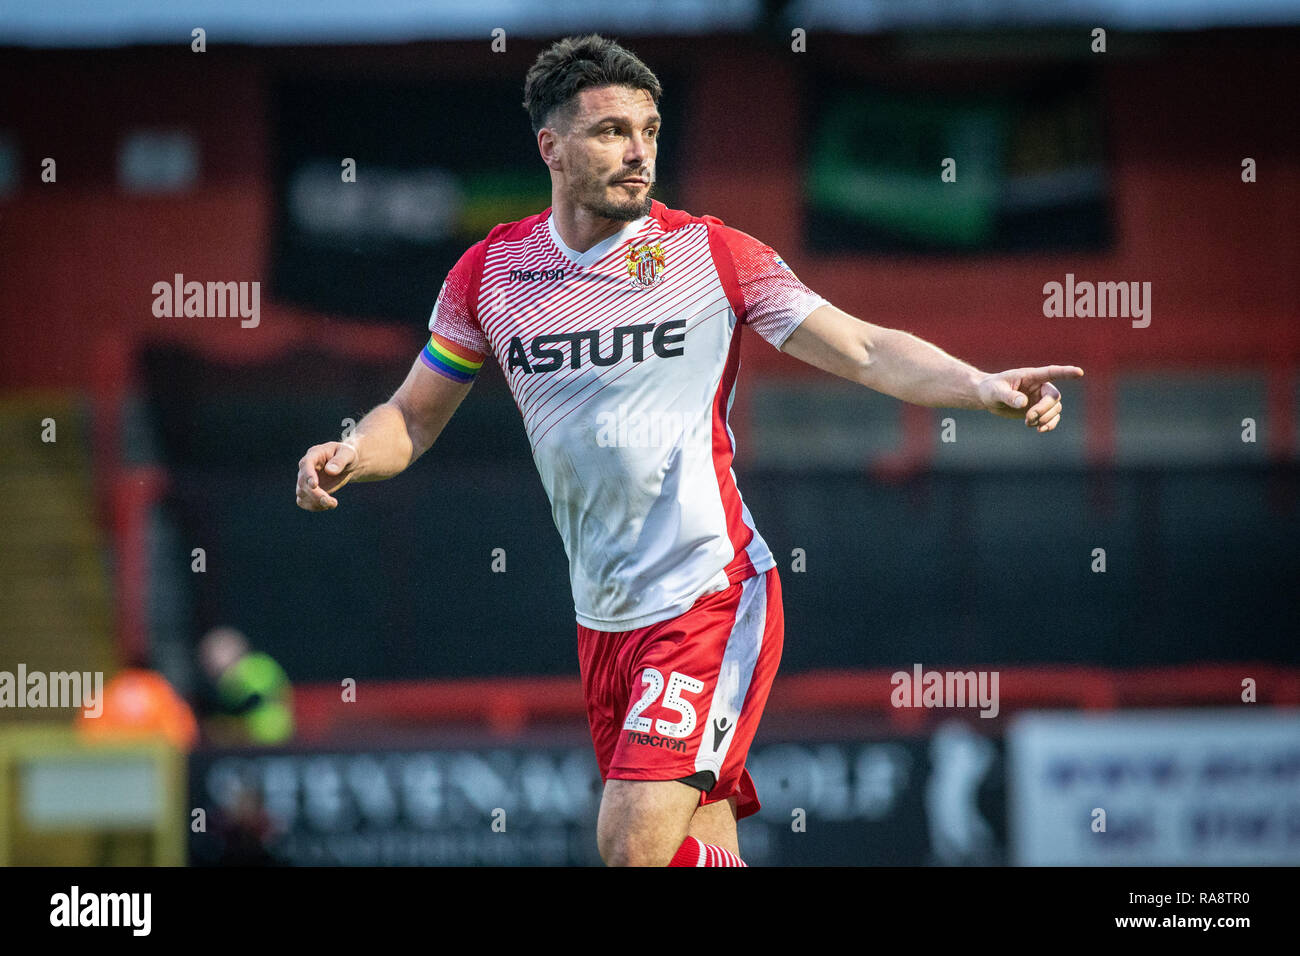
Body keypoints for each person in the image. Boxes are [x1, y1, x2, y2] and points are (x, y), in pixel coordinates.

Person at [294, 34, 1082, 866]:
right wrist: (350, 452)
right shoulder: (490, 273)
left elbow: (863, 349)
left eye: (650, 130)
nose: (638, 153)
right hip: (603, 621)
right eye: (610, 133)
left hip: (710, 591)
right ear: (550, 147)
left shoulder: (712, 254)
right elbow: (413, 419)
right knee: (695, 849)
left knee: (631, 846)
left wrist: (982, 385)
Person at [197, 627, 294, 746]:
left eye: (213, 652)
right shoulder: (222, 682)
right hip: (241, 745)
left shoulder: (258, 665)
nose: (208, 659)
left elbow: (254, 701)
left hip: (271, 740)